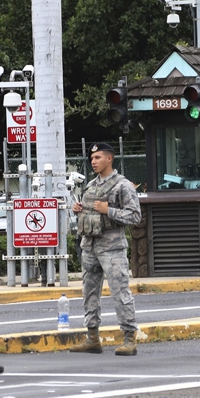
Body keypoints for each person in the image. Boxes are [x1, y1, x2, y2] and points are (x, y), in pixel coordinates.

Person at [70, 142, 141, 356]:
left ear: (109, 158)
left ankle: (129, 338)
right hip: (89, 246)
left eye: (98, 157)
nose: (93, 161)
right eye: (92, 158)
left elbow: (135, 216)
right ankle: (92, 338)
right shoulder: (91, 185)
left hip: (112, 248)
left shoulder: (122, 185)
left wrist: (109, 210)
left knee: (120, 292)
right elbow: (90, 214)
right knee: (89, 293)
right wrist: (79, 210)